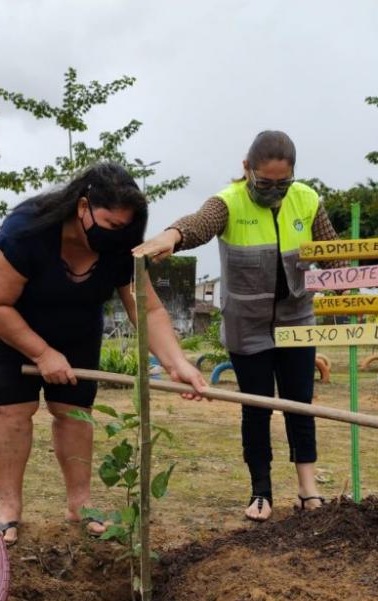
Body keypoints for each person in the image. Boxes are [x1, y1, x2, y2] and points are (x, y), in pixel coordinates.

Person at [0, 162, 207, 546]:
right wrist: (43, 353)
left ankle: (80, 505)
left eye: (126, 227)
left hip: (77, 328)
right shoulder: (28, 230)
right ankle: (9, 510)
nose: (118, 234)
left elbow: (146, 308)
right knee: (13, 411)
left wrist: (176, 362)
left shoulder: (120, 246)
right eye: (111, 224)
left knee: (74, 413)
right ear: (82, 207)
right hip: (9, 325)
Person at [134, 131, 339, 522]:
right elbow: (199, 224)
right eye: (265, 183)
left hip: (297, 321)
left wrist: (352, 288)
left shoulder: (308, 200)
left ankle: (308, 488)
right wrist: (172, 236)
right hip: (248, 327)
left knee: (300, 405)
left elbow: (332, 253)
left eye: (283, 183)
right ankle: (261, 491)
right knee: (256, 408)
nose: (274, 190)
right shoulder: (228, 202)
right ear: (247, 170)